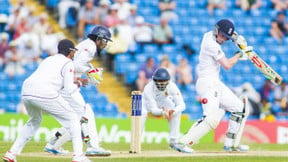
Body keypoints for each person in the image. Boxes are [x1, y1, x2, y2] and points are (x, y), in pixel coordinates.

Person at [2, 39, 91, 162]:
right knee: (73, 118)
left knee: (35, 120)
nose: (74, 54)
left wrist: (75, 79)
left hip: (26, 89)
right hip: (44, 92)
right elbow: (69, 89)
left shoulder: (49, 59)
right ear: (70, 51)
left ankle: (11, 153)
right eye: (74, 51)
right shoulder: (68, 62)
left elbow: (51, 77)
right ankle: (78, 156)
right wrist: (79, 83)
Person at [171, 19, 251, 153]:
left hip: (215, 83)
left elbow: (230, 33)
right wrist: (239, 55)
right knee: (211, 118)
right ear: (216, 31)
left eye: (227, 37)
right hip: (207, 83)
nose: (224, 38)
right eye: (222, 35)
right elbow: (227, 65)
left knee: (239, 108)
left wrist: (237, 39)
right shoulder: (210, 44)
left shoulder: (212, 35)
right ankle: (182, 142)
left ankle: (230, 144)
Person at [44, 25, 112, 156]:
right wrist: (90, 70)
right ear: (98, 39)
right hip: (67, 87)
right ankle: (92, 146)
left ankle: (53, 144)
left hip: (67, 84)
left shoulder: (87, 45)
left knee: (74, 118)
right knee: (86, 113)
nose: (105, 44)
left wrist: (88, 70)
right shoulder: (91, 47)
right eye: (105, 41)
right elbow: (75, 65)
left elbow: (76, 63)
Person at [141, 67, 193, 153]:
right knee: (141, 114)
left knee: (176, 110)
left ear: (168, 80)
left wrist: (174, 111)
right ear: (154, 80)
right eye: (159, 81)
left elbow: (182, 105)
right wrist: (162, 112)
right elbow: (153, 110)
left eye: (164, 81)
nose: (162, 83)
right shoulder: (148, 88)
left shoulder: (172, 86)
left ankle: (174, 142)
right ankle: (136, 143)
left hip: (162, 100)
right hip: (145, 103)